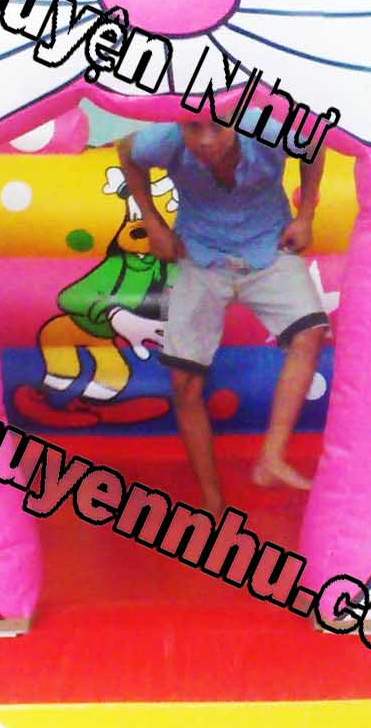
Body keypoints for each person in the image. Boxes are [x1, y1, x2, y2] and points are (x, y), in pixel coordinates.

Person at [116, 111, 328, 512]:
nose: (206, 141)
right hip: (201, 254)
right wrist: (154, 223)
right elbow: (127, 151)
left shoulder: (267, 130)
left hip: (267, 249)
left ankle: (271, 459)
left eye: (218, 127)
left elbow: (314, 145)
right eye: (193, 127)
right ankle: (212, 500)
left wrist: (305, 217)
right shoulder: (164, 139)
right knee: (185, 383)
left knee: (311, 330)